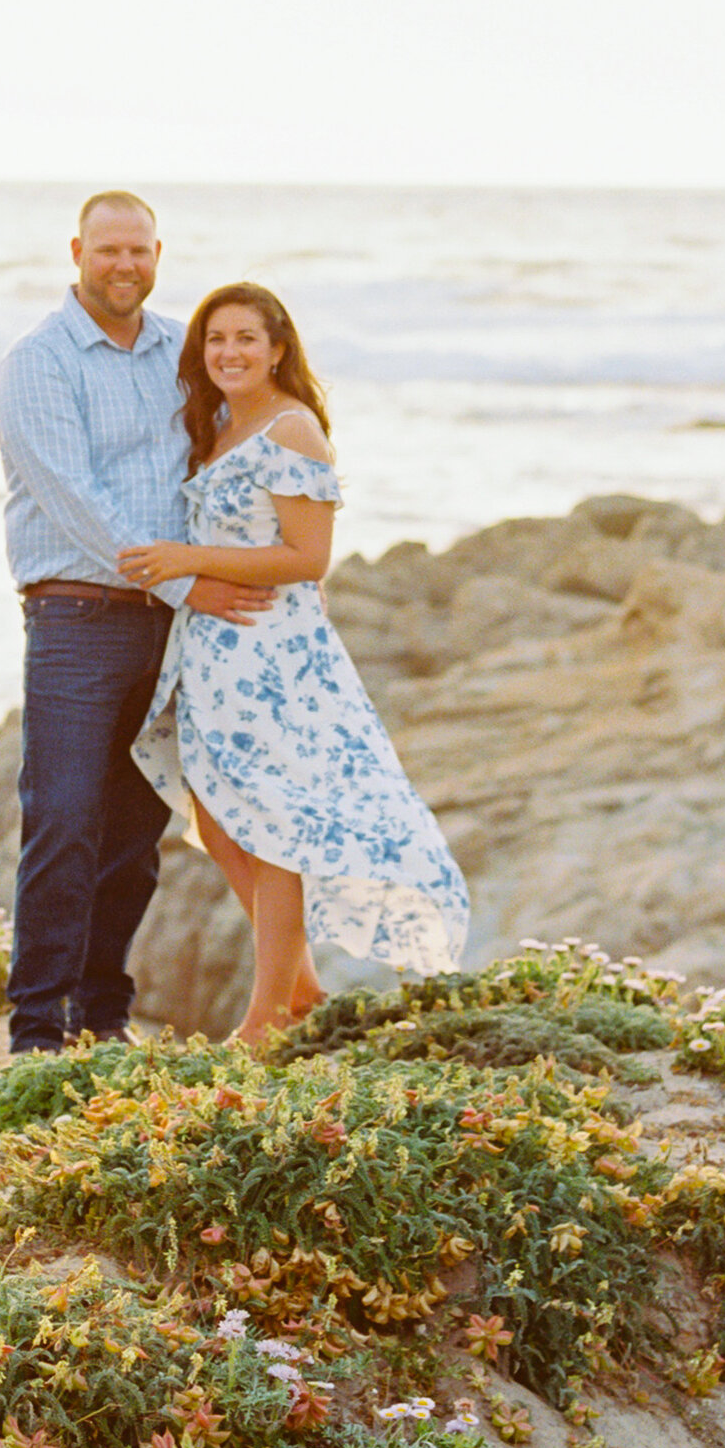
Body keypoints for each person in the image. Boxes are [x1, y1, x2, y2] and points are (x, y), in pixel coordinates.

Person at [119, 281, 467, 1042]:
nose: (229, 353)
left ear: (278, 349)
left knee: (274, 828)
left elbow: (308, 558)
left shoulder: (293, 428)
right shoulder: (215, 425)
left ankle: (268, 1010)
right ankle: (302, 985)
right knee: (216, 823)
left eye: (246, 338)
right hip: (215, 651)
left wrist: (184, 558)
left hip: (274, 655)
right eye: (216, 340)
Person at [0, 194, 270, 1056]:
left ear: (159, 254)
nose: (124, 265)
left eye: (139, 251)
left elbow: (237, 456)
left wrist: (273, 557)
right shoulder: (38, 364)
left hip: (176, 626)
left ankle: (102, 1014)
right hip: (77, 620)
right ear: (77, 250)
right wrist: (193, 586)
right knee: (65, 820)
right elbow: (79, 503)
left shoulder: (183, 353)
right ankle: (37, 1029)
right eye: (108, 249)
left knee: (138, 833)